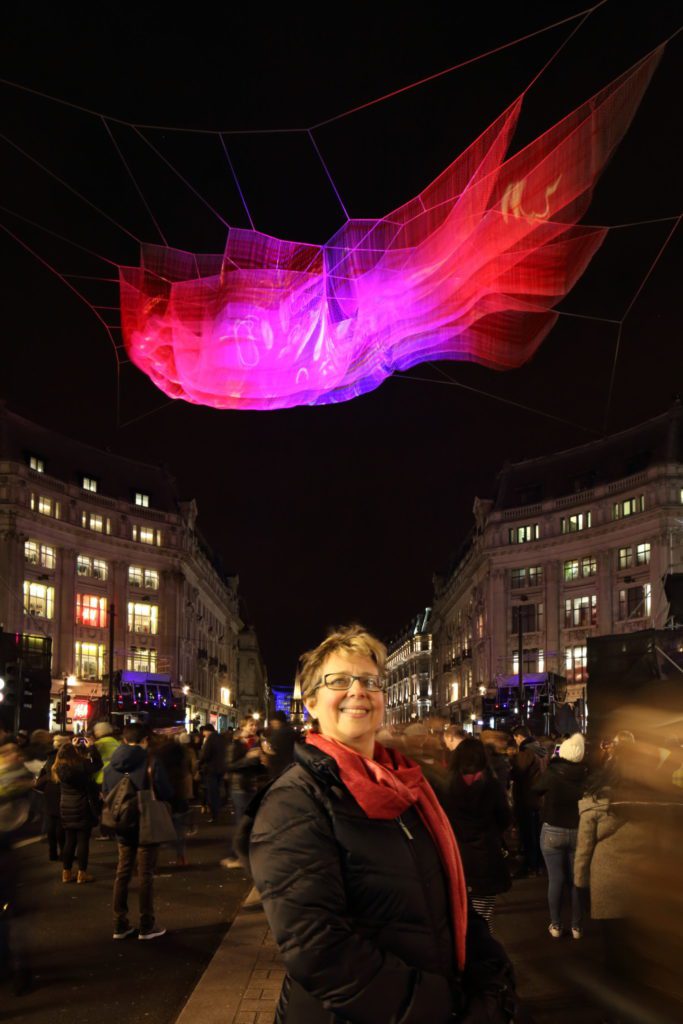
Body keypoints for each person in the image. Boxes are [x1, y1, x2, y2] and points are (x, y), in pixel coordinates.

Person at [243, 625, 515, 1023]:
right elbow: (319, 950)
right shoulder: (295, 800)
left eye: (370, 681)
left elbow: (448, 899)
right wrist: (446, 1008)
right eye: (339, 680)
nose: (358, 691)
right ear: (311, 701)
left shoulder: (409, 788)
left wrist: (493, 981)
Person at [103, 723, 173, 940]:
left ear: (124, 740)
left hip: (122, 823)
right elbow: (164, 791)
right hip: (146, 823)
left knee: (122, 872)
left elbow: (106, 792)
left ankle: (120, 924)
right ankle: (146, 924)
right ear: (145, 740)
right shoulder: (151, 762)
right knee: (145, 875)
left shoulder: (110, 765)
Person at [444, 737, 512, 924]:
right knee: (483, 919)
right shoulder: (491, 784)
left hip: (456, 858)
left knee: (461, 919)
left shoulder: (447, 785)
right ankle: (483, 951)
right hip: (486, 857)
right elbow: (505, 818)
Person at [532, 733, 587, 939]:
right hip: (578, 828)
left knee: (555, 879)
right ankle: (577, 927)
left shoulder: (553, 773)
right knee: (576, 880)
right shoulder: (587, 773)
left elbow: (535, 789)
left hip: (553, 828)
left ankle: (556, 925)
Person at [54, 736, 102, 883]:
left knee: (69, 841)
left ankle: (66, 873)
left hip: (66, 806)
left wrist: (71, 747)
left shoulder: (58, 768)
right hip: (82, 806)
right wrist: (91, 747)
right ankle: (82, 873)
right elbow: (98, 765)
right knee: (83, 841)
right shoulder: (82, 765)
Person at [510, 725, 545, 877]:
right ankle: (537, 864)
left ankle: (531, 866)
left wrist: (511, 762)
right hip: (538, 797)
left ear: (519, 737)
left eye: (515, 738)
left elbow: (518, 771)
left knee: (528, 834)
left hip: (527, 798)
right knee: (535, 833)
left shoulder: (527, 752)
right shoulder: (540, 749)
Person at [34, 734, 70, 861]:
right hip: (60, 789)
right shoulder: (64, 757)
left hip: (49, 790)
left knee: (51, 822)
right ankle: (64, 851)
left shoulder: (49, 757)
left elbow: (42, 776)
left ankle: (52, 852)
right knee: (60, 823)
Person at [198, 724, 226, 823]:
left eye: (204, 732)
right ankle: (218, 810)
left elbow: (205, 755)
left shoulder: (210, 740)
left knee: (212, 793)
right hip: (221, 768)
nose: (203, 734)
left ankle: (215, 815)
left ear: (207, 731)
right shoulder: (221, 738)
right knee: (217, 791)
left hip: (211, 769)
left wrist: (199, 763)